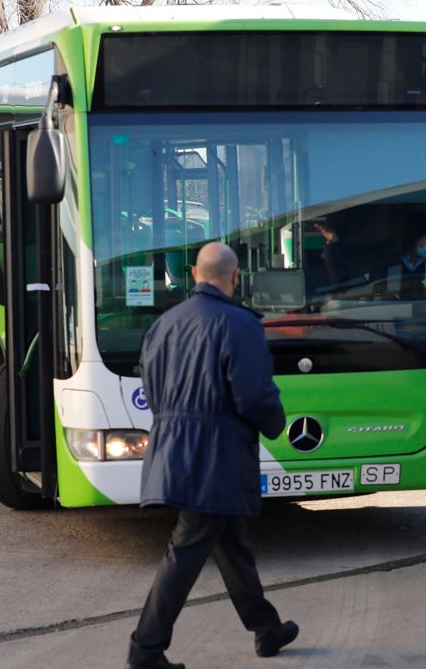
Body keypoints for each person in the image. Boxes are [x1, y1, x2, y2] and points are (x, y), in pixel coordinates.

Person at [127, 242, 299, 669]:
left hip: (172, 449)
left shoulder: (164, 324)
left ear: (193, 273)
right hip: (216, 455)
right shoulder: (240, 324)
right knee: (186, 550)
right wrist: (277, 425)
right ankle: (145, 650)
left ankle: (266, 628)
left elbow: (151, 390)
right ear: (235, 278)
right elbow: (254, 395)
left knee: (231, 542)